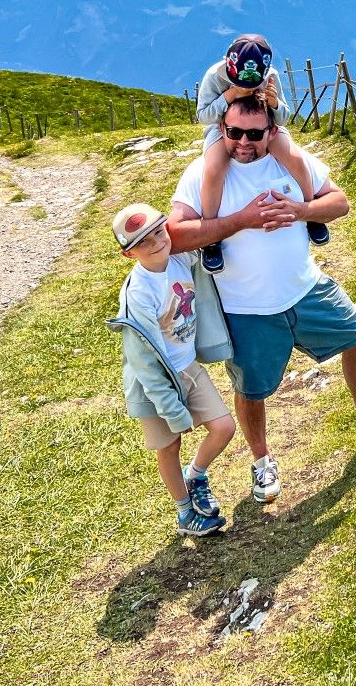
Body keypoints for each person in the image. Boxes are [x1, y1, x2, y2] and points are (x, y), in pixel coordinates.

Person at [167, 92, 356, 505]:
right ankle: (261, 461)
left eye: (253, 134)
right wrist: (239, 221)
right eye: (233, 133)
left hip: (306, 288)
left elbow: (339, 202)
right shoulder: (201, 174)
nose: (243, 143)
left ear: (272, 130)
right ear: (221, 128)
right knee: (251, 389)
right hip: (246, 309)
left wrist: (302, 211)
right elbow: (176, 236)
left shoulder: (289, 159)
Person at [108, 202, 237, 537]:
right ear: (129, 254)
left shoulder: (181, 260)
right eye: (142, 242)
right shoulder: (138, 293)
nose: (155, 243)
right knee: (169, 444)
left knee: (223, 427)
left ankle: (195, 475)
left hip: (187, 367)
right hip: (155, 385)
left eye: (158, 232)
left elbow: (204, 237)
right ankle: (184, 514)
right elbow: (144, 362)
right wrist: (171, 408)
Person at [193, 34, 328, 272]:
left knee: (294, 157)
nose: (248, 88)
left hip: (263, 128)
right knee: (214, 169)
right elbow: (203, 116)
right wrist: (230, 96)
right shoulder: (214, 76)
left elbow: (284, 118)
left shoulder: (271, 76)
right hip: (223, 128)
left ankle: (311, 212)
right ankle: (211, 238)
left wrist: (275, 104)